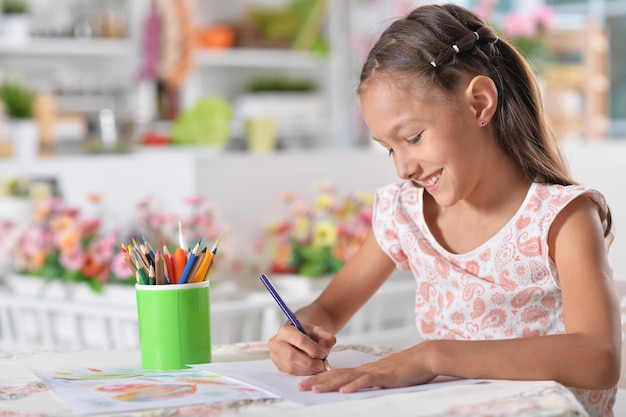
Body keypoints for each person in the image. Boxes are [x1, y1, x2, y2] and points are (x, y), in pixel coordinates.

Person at [266, 3, 621, 417]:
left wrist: (434, 356)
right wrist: (301, 334)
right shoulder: (404, 214)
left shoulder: (562, 218)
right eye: (389, 150)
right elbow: (327, 310)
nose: (403, 167)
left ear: (480, 104)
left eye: (413, 138)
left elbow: (600, 358)